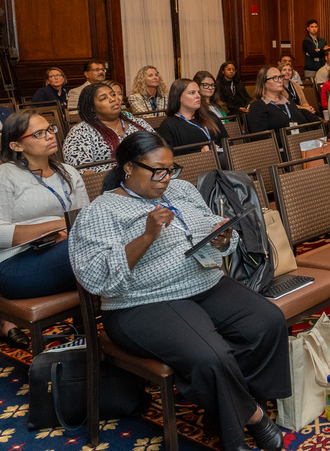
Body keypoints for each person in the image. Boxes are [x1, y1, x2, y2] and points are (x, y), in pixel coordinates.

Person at [68, 131, 288, 451]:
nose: (166, 178)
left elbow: (210, 230)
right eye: (157, 171)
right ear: (129, 168)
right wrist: (147, 235)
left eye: (171, 169)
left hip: (202, 282)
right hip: (142, 302)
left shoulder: (181, 189)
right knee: (210, 355)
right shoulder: (101, 211)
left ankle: (225, 407)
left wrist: (221, 239)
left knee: (267, 321)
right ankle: (250, 417)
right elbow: (96, 279)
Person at [0, 110, 88, 348]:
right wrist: (56, 225)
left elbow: (84, 217)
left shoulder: (68, 172)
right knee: (92, 249)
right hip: (16, 265)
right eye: (39, 133)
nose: (50, 136)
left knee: (99, 245)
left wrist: (70, 229)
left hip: (62, 252)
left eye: (50, 129)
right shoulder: (6, 175)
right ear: (16, 145)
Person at [63, 83, 153, 170]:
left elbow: (159, 150)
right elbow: (82, 172)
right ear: (92, 108)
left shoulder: (139, 123)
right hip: (107, 183)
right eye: (103, 98)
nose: (113, 99)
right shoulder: (80, 132)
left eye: (113, 95)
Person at [156, 78, 226, 150]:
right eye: (192, 93)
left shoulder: (210, 115)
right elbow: (169, 157)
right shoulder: (168, 125)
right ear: (179, 97)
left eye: (198, 92)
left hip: (221, 158)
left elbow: (227, 142)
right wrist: (200, 154)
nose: (198, 96)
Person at [247, 66, 317, 135]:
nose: (280, 80)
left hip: (304, 142)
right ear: (264, 83)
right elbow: (260, 137)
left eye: (280, 77)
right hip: (281, 145)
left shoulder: (288, 102)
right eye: (275, 78)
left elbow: (305, 120)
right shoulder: (258, 106)